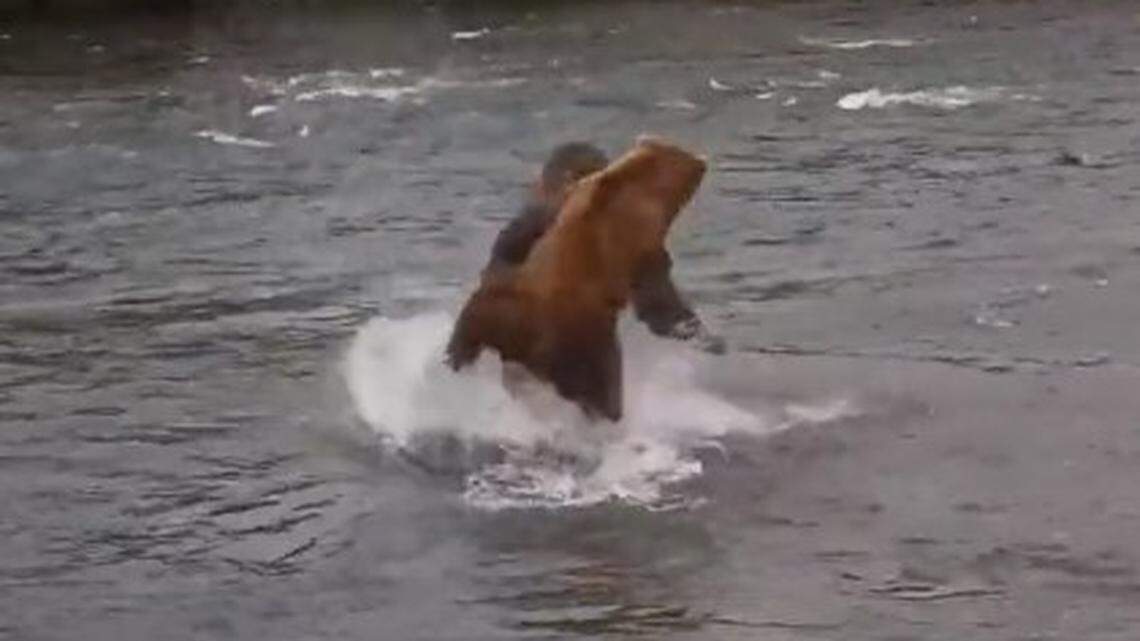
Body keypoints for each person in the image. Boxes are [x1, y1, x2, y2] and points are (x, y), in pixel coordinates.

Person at [483, 141, 725, 354]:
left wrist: (703, 344)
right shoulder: (529, 227)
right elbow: (488, 304)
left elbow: (666, 311)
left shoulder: (629, 239)